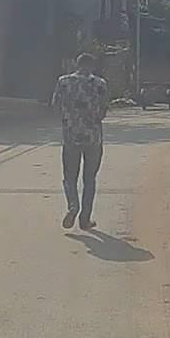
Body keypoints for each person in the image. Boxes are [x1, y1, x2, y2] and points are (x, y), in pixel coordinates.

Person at [50, 52, 109, 230]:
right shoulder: (100, 84)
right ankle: (85, 219)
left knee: (69, 177)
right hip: (93, 138)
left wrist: (68, 120)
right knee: (89, 179)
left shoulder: (64, 82)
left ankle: (73, 206)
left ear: (77, 64)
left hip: (71, 137)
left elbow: (55, 106)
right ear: (92, 66)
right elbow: (104, 110)